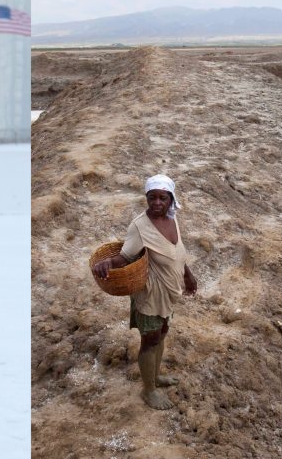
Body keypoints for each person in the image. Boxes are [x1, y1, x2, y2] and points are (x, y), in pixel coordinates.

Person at [91, 174, 197, 410]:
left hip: (170, 289)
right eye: (152, 198)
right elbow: (124, 257)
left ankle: (155, 377)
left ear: (171, 199)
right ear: (146, 198)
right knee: (150, 340)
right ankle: (149, 390)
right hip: (151, 293)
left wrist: (187, 274)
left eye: (162, 198)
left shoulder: (172, 217)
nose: (157, 203)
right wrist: (106, 264)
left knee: (163, 332)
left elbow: (176, 251)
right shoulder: (140, 226)